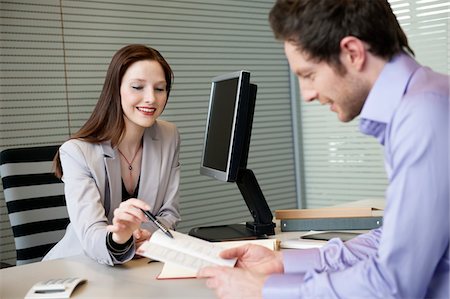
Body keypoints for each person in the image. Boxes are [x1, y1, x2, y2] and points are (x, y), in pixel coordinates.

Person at [198, 0, 449, 298]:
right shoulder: (421, 103)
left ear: (353, 53)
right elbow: (392, 241)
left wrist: (265, 290)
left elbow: (391, 285)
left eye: (308, 75)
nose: (307, 95)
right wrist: (283, 263)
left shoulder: (424, 115)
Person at [43, 44, 181, 265]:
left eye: (160, 88)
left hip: (138, 265)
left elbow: (169, 213)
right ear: (115, 89)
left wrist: (145, 235)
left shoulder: (168, 135)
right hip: (80, 266)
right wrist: (120, 237)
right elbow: (90, 233)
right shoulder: (76, 152)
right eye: (137, 87)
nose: (151, 99)